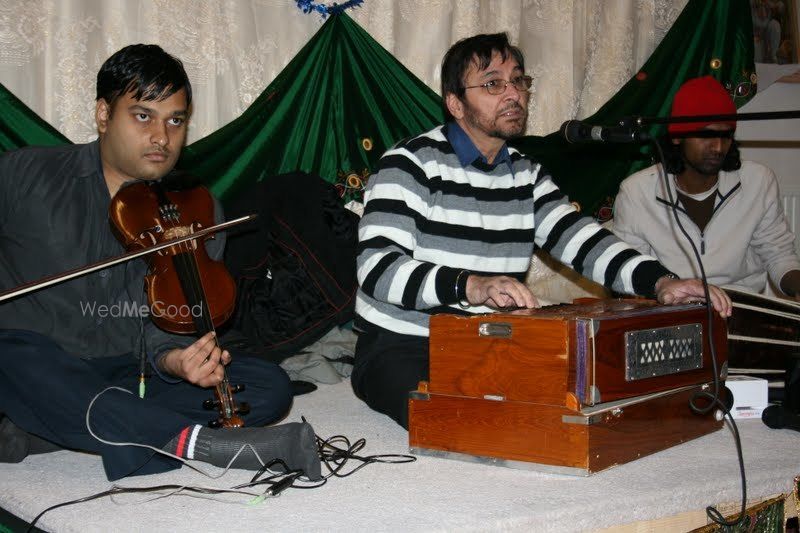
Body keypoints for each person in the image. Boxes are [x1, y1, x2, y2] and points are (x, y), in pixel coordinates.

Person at [352, 33, 732, 429]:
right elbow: (378, 268)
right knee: (460, 422)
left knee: (580, 411)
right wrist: (471, 285)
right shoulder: (409, 164)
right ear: (455, 103)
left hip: (493, 342)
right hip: (404, 344)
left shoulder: (526, 173)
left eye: (519, 81)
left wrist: (661, 282)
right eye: (493, 83)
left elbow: (583, 240)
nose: (513, 93)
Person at [0, 44, 320, 482]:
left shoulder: (197, 212)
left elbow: (166, 328)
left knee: (267, 389)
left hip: (124, 370)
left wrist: (179, 361)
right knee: (13, 356)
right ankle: (197, 443)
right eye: (143, 115)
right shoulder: (24, 175)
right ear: (102, 114)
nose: (162, 138)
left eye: (176, 120)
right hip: (32, 361)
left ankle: (46, 426)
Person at [612, 75, 800, 299]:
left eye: (726, 135)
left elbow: (779, 255)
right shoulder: (636, 193)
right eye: (706, 135)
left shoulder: (758, 181)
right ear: (677, 137)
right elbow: (627, 273)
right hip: (673, 310)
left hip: (740, 308)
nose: (718, 147)